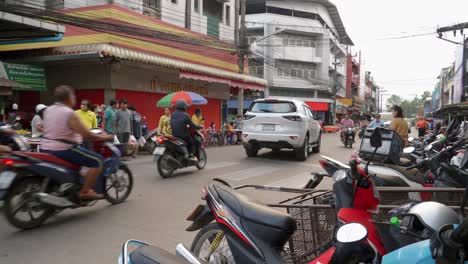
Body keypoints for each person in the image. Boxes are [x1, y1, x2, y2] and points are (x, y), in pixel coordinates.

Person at [41, 85, 113, 200]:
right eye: (73, 96)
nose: (75, 99)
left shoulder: (48, 110)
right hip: (64, 149)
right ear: (68, 98)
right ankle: (85, 191)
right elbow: (87, 135)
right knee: (98, 160)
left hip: (45, 148)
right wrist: (105, 138)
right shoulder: (69, 113)